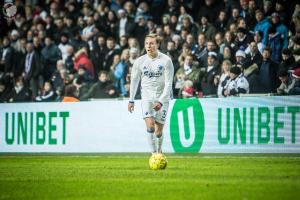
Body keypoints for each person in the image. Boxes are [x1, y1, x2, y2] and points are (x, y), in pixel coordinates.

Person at [128, 33, 174, 154]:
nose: (149, 46)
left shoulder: (166, 61)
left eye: (152, 43)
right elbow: (134, 81)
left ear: (157, 44)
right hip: (147, 97)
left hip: (162, 97)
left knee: (158, 131)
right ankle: (154, 154)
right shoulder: (139, 61)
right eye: (147, 43)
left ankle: (159, 151)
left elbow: (169, 84)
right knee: (150, 126)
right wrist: (131, 100)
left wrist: (161, 101)